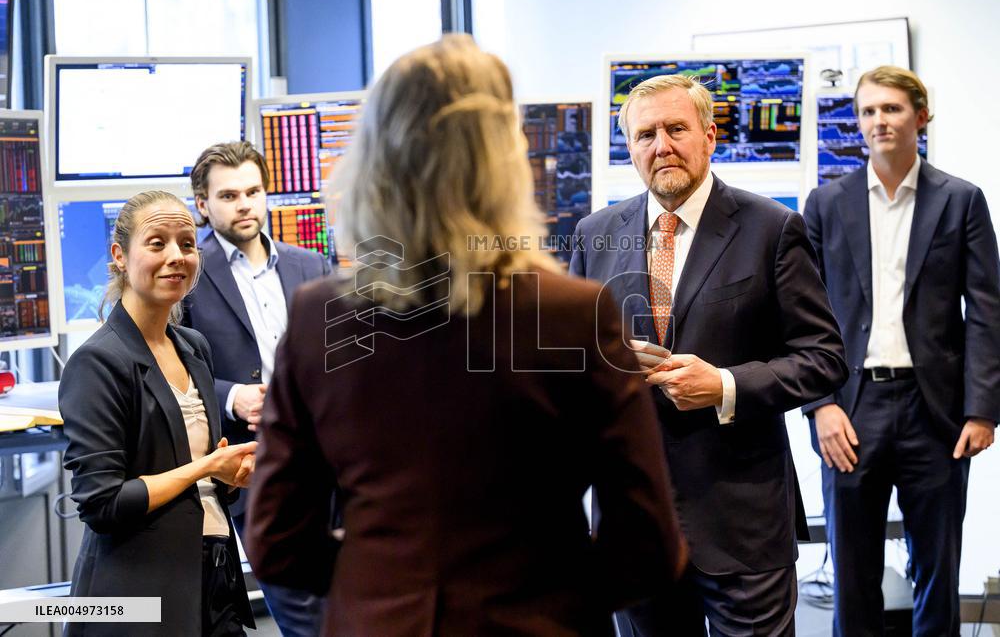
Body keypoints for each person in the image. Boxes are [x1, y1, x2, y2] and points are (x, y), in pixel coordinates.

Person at [244, 33, 687, 637]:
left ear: (372, 161)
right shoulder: (573, 314)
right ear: (504, 162)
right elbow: (648, 545)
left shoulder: (320, 315)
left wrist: (380, 577)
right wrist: (547, 593)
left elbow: (276, 542)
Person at [570, 74, 847, 636]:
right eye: (646, 134)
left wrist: (724, 385)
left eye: (676, 129)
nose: (662, 146)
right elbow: (573, 365)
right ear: (630, 148)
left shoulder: (772, 228)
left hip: (742, 525)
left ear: (710, 136)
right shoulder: (594, 234)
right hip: (637, 525)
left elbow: (823, 358)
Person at [803, 65, 1000, 636]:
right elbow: (803, 316)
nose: (879, 121)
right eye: (868, 111)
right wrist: (820, 406)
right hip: (851, 408)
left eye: (891, 108)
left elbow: (986, 310)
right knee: (851, 572)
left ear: (921, 116)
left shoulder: (961, 200)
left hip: (934, 412)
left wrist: (983, 410)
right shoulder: (825, 204)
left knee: (937, 566)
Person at [60, 190, 257, 636]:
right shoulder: (97, 362)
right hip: (139, 597)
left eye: (187, 244)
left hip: (213, 580)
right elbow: (103, 503)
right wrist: (206, 467)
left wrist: (227, 476)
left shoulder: (193, 347)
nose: (176, 257)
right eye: (157, 243)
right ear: (119, 256)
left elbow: (199, 475)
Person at [183, 140, 331, 636]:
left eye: (253, 191)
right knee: (300, 612)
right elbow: (170, 369)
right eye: (228, 196)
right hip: (248, 465)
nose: (244, 204)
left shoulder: (311, 266)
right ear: (203, 205)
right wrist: (231, 395)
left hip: (326, 460)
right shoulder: (188, 273)